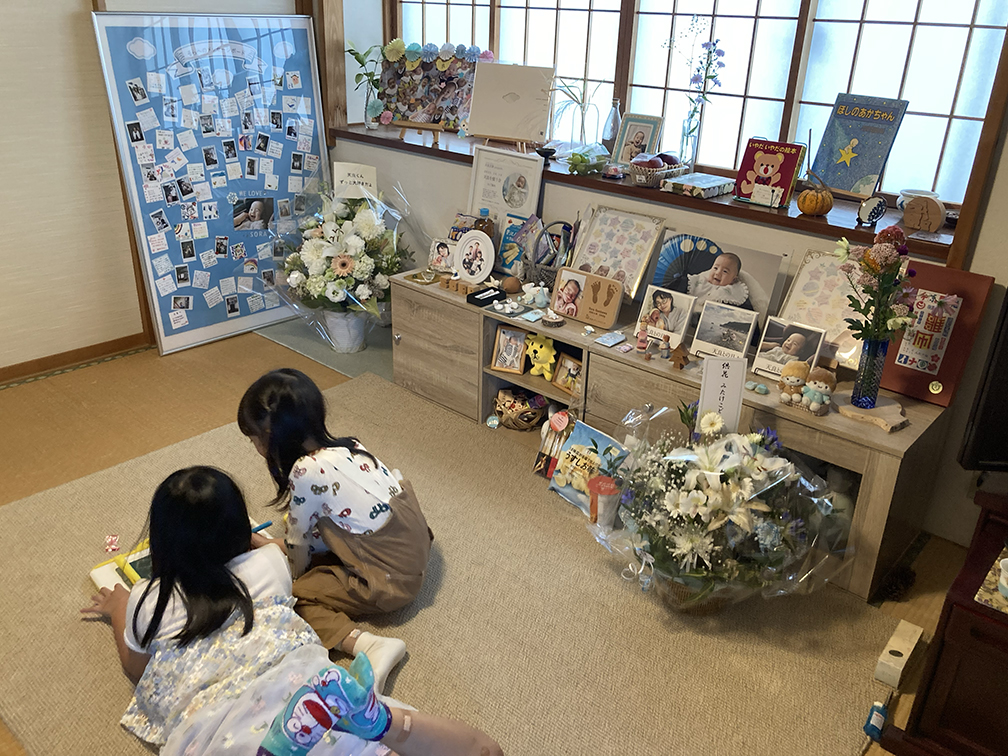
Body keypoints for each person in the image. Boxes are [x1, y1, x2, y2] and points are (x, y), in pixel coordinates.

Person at [81, 467, 502, 756]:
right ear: (241, 531)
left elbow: (138, 668)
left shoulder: (146, 600)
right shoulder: (267, 564)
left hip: (214, 720)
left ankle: (378, 723)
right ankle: (378, 722)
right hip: (294, 675)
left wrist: (119, 607)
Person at [237, 369, 433, 694]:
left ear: (271, 436)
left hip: (392, 580)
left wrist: (276, 554)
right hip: (415, 547)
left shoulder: (303, 472)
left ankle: (367, 644)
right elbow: (335, 529)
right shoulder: (351, 446)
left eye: (254, 438)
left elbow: (300, 552)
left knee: (294, 595)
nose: (255, 446)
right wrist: (269, 541)